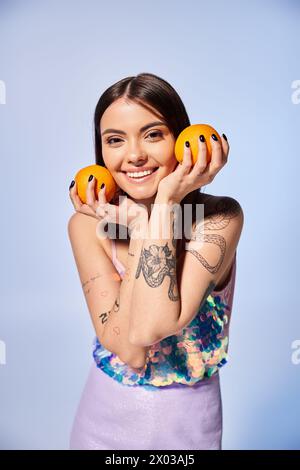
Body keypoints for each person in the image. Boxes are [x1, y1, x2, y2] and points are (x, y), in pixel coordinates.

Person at [67, 72, 244, 450]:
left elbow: (150, 329)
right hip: (101, 423)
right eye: (115, 140)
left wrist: (162, 207)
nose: (134, 155)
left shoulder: (219, 219)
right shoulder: (87, 226)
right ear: (101, 153)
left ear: (181, 140)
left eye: (153, 134)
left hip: (188, 427)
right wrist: (143, 226)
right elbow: (129, 351)